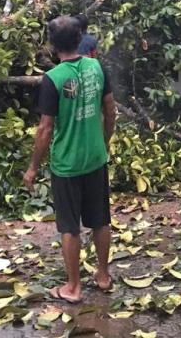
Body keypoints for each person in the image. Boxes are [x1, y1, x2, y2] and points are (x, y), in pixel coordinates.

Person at [23, 15, 117, 304]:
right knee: (101, 220)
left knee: (69, 226)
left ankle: (73, 287)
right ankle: (103, 276)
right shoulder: (97, 67)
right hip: (95, 159)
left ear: (52, 45)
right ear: (80, 39)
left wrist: (33, 167)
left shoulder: (53, 79)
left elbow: (45, 129)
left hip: (66, 165)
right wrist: (104, 143)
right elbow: (111, 111)